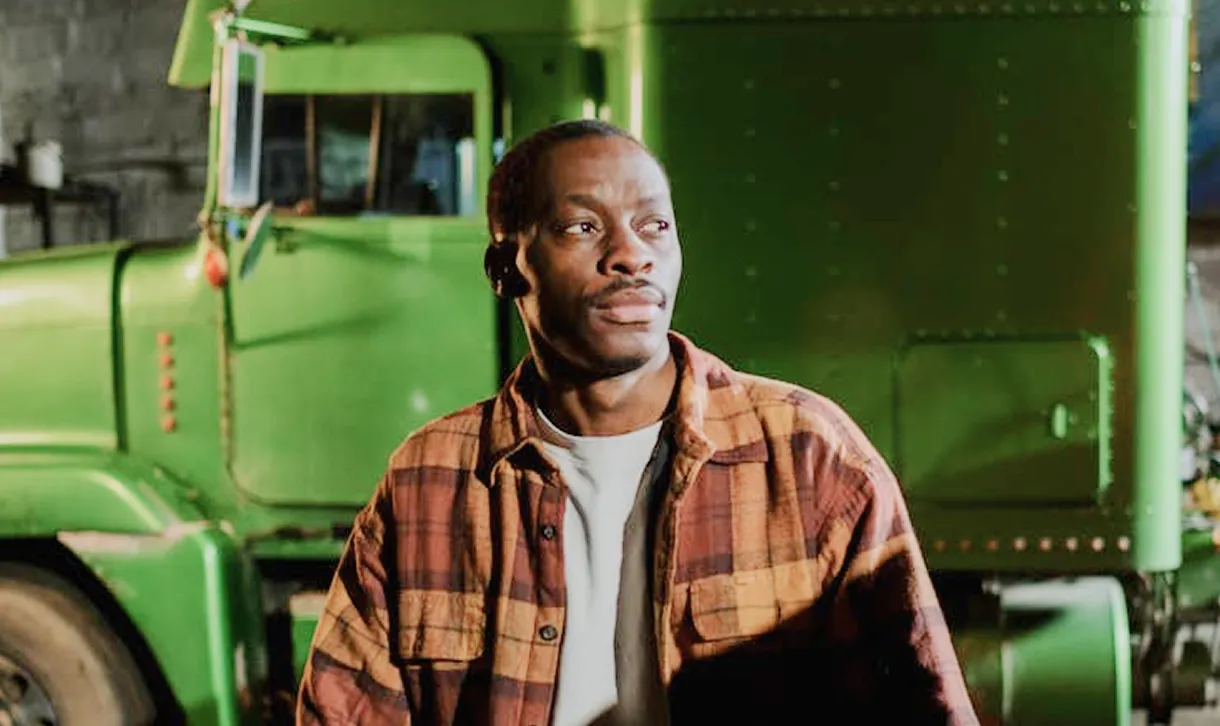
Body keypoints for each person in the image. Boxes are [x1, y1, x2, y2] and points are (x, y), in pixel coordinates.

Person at [296, 119, 980, 726]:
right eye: (582, 227)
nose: (632, 254)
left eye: (654, 225)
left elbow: (923, 706)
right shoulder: (431, 482)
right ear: (505, 269)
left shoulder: (808, 459)